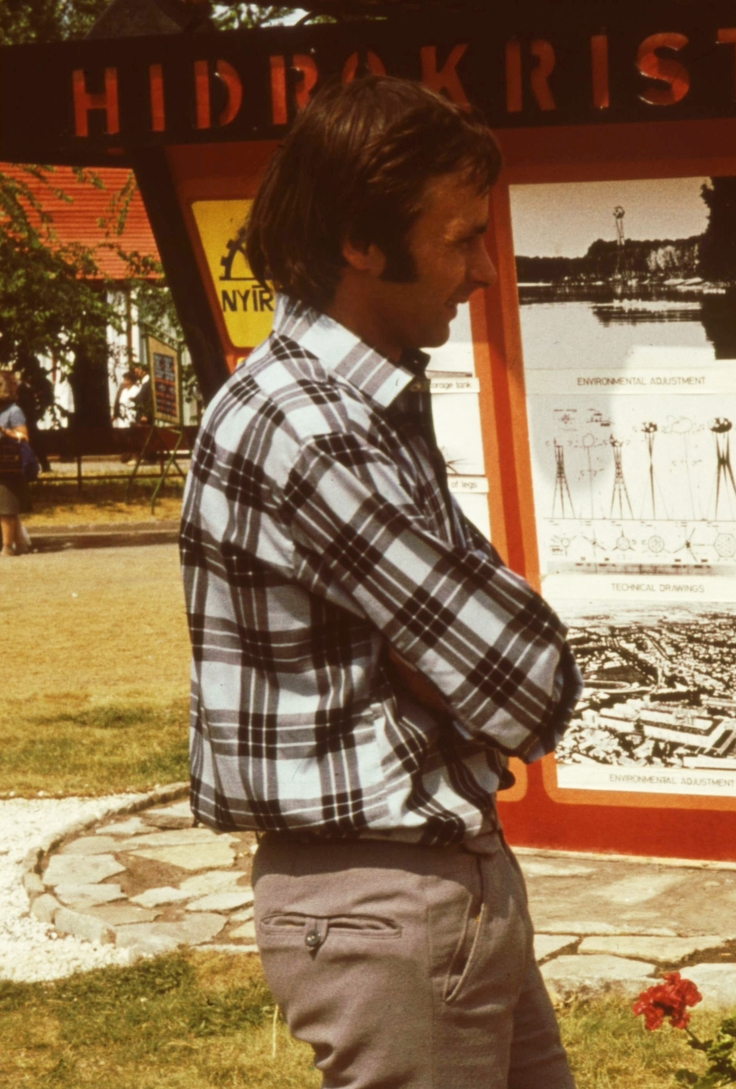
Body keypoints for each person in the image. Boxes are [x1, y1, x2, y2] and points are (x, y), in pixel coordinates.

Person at [181, 76, 580, 1088]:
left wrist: (431, 656)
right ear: (362, 241)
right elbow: (528, 680)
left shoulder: (353, 404)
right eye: (460, 239)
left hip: (429, 880)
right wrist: (446, 660)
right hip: (386, 897)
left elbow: (487, 656)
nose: (484, 270)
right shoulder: (310, 424)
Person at [0, 372, 32, 556]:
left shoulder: (14, 411)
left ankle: (7, 547)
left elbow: (24, 438)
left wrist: (4, 431)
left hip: (7, 465)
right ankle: (20, 544)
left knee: (6, 508)